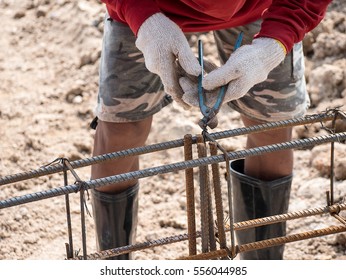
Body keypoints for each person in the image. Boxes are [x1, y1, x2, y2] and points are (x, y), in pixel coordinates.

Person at [90, 0, 332, 260]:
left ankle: (262, 265)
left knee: (271, 126)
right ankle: (114, 265)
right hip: (147, 9)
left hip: (261, 8)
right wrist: (143, 18)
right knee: (121, 130)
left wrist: (273, 45)